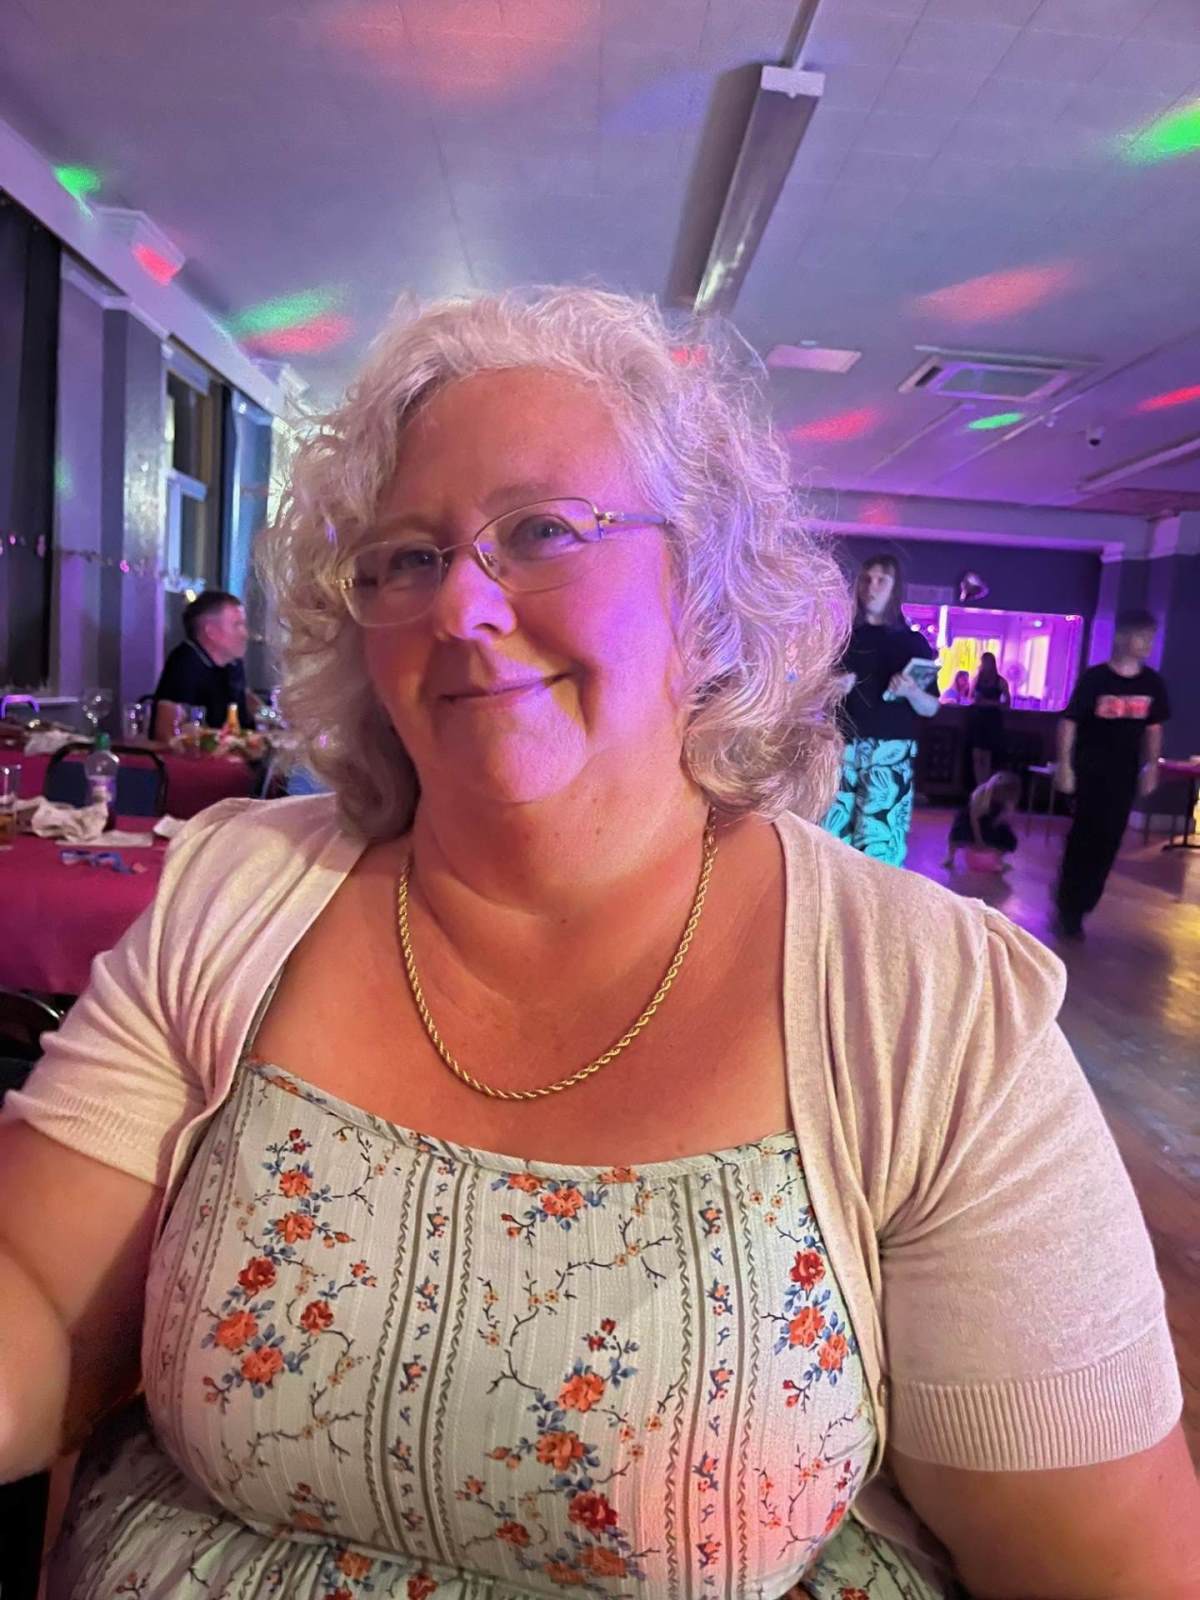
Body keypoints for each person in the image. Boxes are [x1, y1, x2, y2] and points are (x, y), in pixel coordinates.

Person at [1, 289, 1195, 1600]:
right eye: (408, 556)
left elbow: (1107, 1562)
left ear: (706, 588)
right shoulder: (241, 893)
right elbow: (40, 1293)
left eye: (543, 531)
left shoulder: (922, 1004)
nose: (460, 605)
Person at [1053, 609, 1170, 941]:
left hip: (1124, 776)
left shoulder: (1152, 684)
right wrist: (1065, 766)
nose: (1147, 644)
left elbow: (1153, 729)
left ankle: (1085, 900)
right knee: (1084, 838)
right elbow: (1069, 723)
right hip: (1090, 773)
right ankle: (1069, 907)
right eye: (1141, 637)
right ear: (1121, 637)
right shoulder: (1095, 680)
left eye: (1150, 638)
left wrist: (1151, 766)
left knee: (1109, 841)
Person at [822, 554, 940, 866]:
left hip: (891, 754)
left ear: (894, 587)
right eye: (866, 579)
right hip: (840, 748)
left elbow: (930, 707)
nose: (871, 587)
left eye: (881, 580)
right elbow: (811, 695)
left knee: (880, 848)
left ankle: (872, 899)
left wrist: (911, 691)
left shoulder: (913, 643)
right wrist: (830, 688)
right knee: (830, 842)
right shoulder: (841, 638)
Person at [151, 589, 257, 741]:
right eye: (237, 625)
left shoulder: (232, 662)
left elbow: (245, 702)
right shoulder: (185, 663)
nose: (245, 634)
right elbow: (165, 734)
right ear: (211, 632)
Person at [943, 769, 1021, 873]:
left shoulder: (1007, 800)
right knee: (958, 831)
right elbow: (974, 818)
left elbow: (1003, 819)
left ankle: (997, 860)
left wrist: (994, 829)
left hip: (990, 820)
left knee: (1007, 837)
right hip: (970, 819)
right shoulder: (982, 793)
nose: (1004, 796)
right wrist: (978, 839)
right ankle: (950, 857)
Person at [965, 651, 1009, 785]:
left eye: (987, 662)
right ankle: (980, 786)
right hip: (977, 719)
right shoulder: (977, 679)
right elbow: (970, 697)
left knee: (987, 755)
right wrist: (976, 700)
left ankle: (986, 787)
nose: (984, 665)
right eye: (983, 662)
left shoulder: (1000, 681)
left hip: (992, 720)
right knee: (977, 754)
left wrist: (990, 703)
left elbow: (1007, 702)